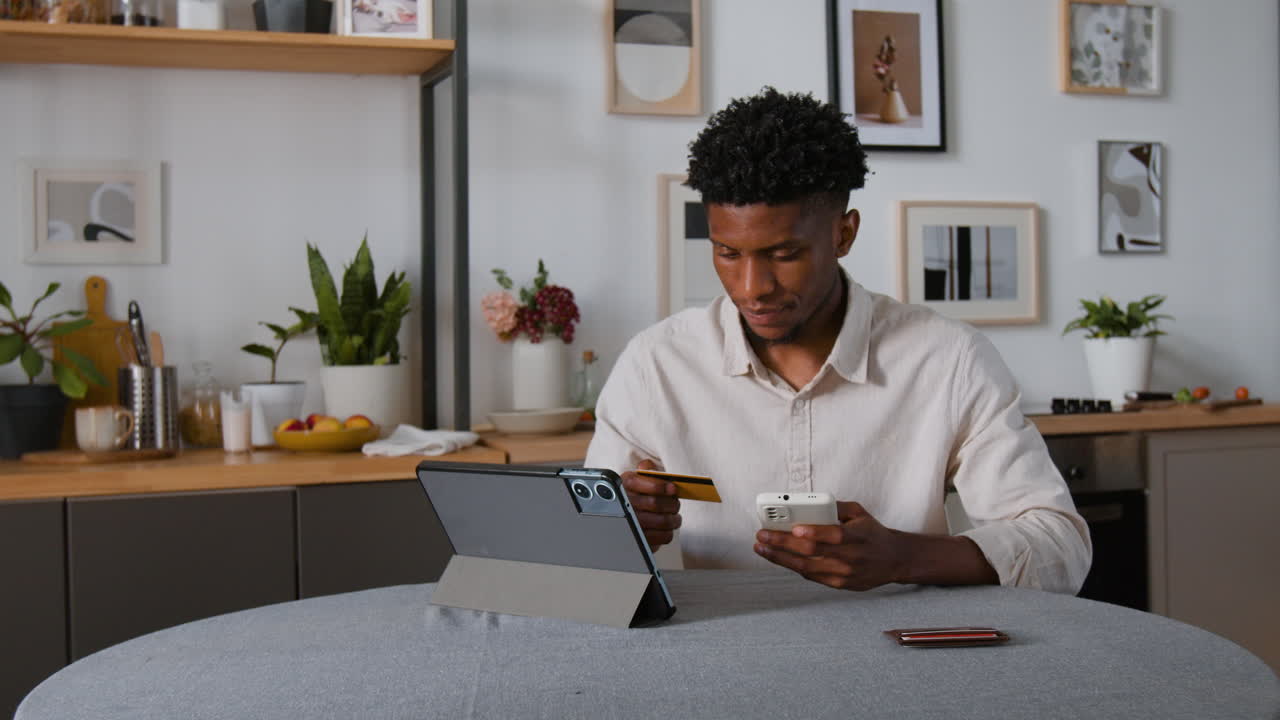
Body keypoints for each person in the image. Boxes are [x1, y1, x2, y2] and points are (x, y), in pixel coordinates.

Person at [584, 87, 1091, 594]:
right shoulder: (656, 365)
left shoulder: (949, 359)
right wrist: (621, 533)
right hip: (723, 661)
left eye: (784, 254)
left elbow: (1060, 548)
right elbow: (583, 560)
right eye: (727, 253)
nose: (752, 288)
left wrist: (902, 557)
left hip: (908, 662)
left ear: (844, 235)